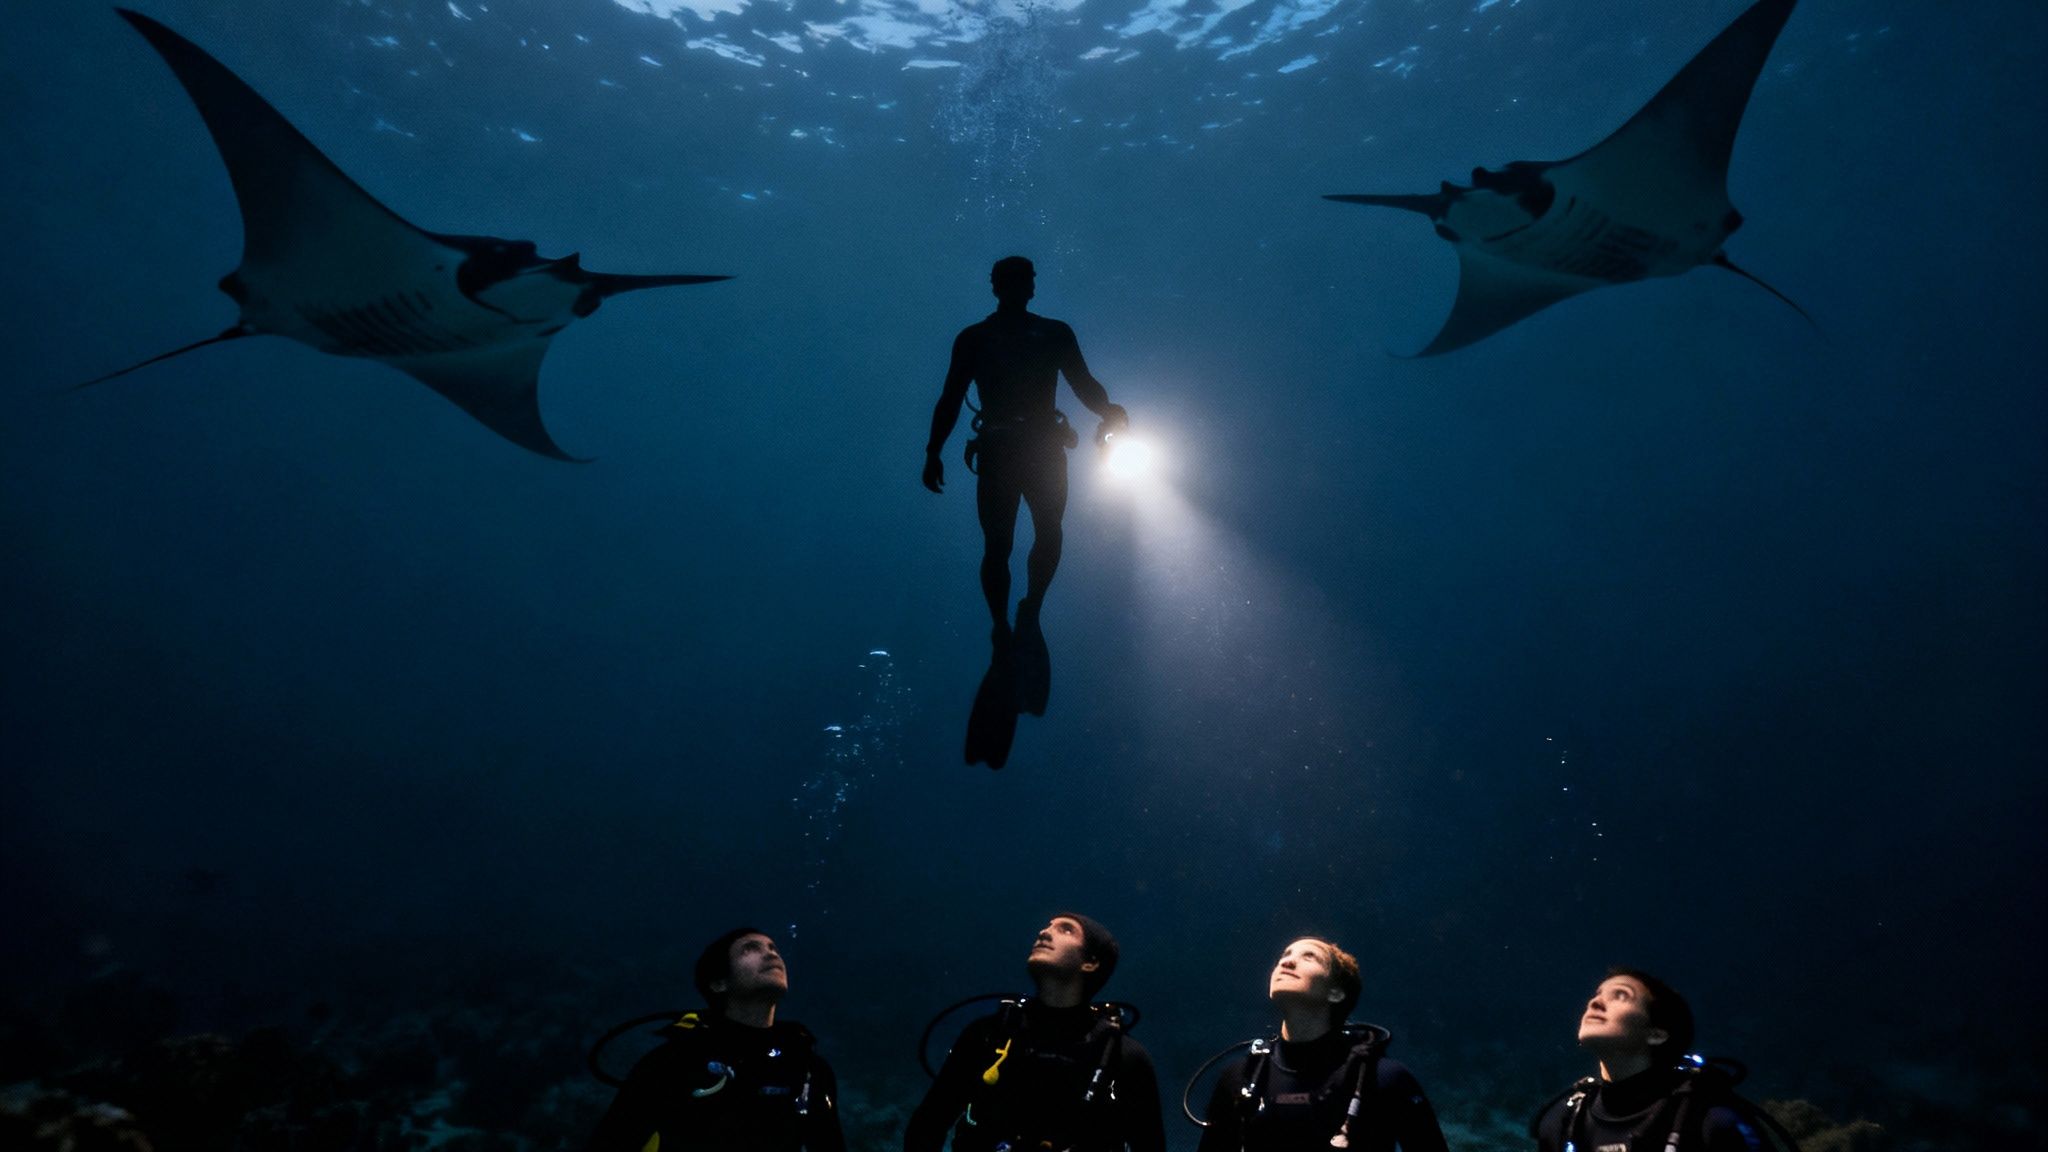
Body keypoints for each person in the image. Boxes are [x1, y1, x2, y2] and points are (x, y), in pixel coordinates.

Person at [922, 257, 1129, 653]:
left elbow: (1084, 385)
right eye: (1022, 280)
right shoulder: (1022, 336)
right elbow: (949, 399)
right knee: (1016, 539)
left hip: (1016, 450)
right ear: (1006, 286)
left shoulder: (990, 337)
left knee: (1024, 538)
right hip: (1027, 450)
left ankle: (1017, 615)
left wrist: (934, 451)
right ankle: (1015, 616)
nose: (1026, 286)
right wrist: (933, 450)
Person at [907, 913, 1165, 1152]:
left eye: (1066, 929)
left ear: (1091, 962)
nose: (1044, 932)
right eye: (1048, 926)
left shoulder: (1124, 1057)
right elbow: (927, 1126)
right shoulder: (986, 1035)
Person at [586, 927, 845, 1152]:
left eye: (773, 948)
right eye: (750, 949)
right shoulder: (673, 1062)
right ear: (719, 983)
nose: (771, 954)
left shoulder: (809, 1067)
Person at [1196, 938, 1448, 1152]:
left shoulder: (1384, 1079)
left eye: (1310, 957)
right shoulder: (1240, 1077)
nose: (1286, 962)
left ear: (1336, 993)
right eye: (1284, 955)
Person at [1529, 968, 1777, 1152]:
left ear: (1657, 1034)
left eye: (1621, 995)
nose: (1595, 1002)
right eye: (1597, 994)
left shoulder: (1710, 1121)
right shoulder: (1561, 1123)